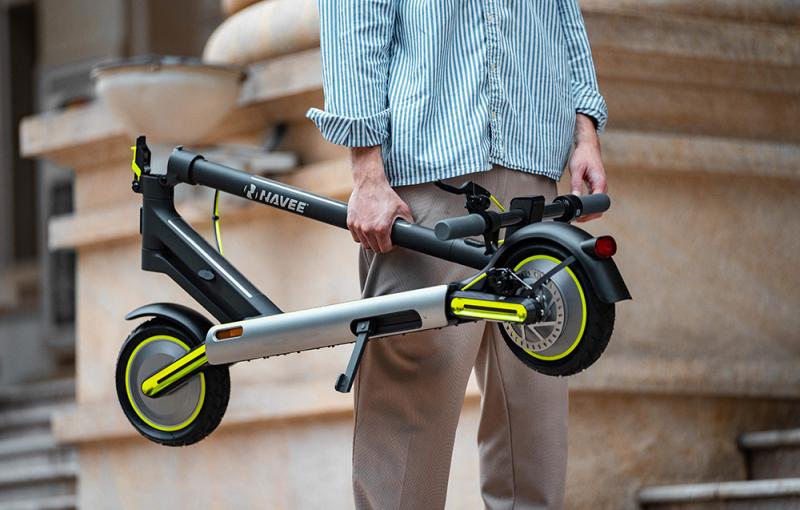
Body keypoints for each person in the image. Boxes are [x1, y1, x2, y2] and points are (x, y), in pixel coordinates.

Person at [307, 1, 608, 508]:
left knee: (534, 406)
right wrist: (367, 170)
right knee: (412, 400)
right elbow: (355, 19)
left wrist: (585, 130)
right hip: (431, 169)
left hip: (534, 166)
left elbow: (562, 15)